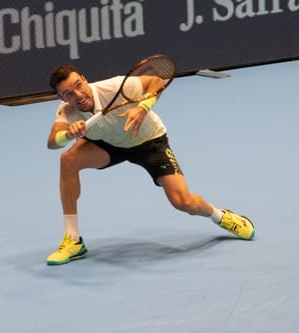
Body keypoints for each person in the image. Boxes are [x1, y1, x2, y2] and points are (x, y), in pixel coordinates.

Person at [45, 63, 255, 265]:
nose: (78, 95)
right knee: (68, 160)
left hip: (149, 142)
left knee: (183, 202)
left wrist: (143, 107)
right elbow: (52, 142)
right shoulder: (67, 111)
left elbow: (155, 81)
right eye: (68, 94)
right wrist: (67, 134)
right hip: (109, 145)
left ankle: (221, 216)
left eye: (78, 85)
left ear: (84, 79)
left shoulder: (115, 86)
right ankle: (73, 239)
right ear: (62, 98)